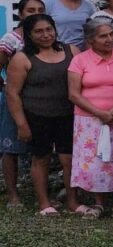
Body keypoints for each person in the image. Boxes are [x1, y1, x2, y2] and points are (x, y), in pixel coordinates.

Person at [4, 14, 83, 215]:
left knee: (69, 159)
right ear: (29, 35)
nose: (46, 34)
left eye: (49, 29)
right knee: (41, 158)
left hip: (68, 115)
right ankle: (44, 203)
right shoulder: (21, 58)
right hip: (36, 116)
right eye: (39, 31)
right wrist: (21, 124)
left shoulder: (71, 51)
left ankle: (72, 202)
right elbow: (12, 93)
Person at [67, 16, 113, 218]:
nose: (110, 39)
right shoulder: (80, 60)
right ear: (90, 40)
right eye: (103, 36)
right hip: (89, 120)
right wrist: (101, 114)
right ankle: (98, 203)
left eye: (111, 34)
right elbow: (73, 94)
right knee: (96, 161)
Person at [1, 0, 46, 208]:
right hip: (15, 100)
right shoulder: (12, 39)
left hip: (41, 103)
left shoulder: (46, 37)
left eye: (40, 9)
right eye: (30, 10)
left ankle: (42, 195)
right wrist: (6, 87)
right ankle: (13, 195)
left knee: (41, 149)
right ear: (20, 14)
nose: (36, 13)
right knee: (11, 149)